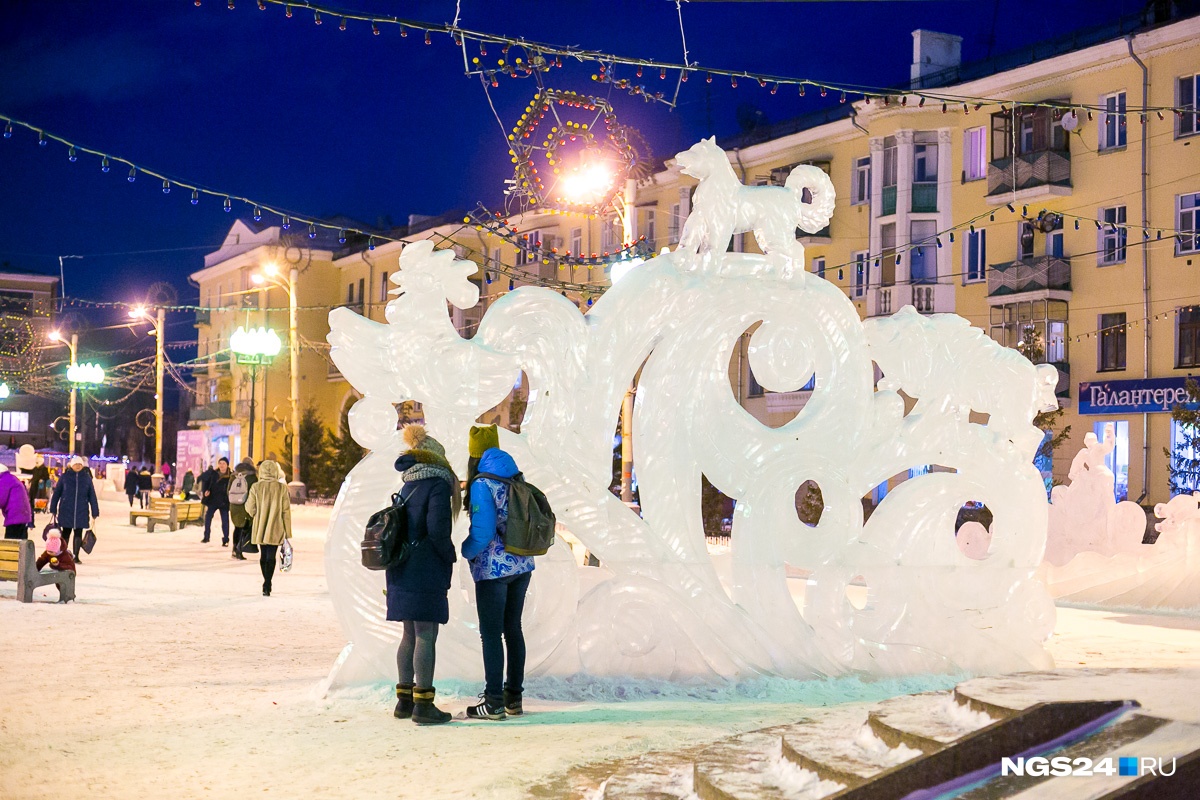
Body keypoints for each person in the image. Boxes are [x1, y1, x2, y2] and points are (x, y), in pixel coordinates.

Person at [387, 424, 460, 726]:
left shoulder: (408, 484)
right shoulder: (438, 485)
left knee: (409, 633)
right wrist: (450, 556)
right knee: (426, 634)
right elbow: (438, 530)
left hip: (401, 566)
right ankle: (424, 705)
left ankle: (404, 702)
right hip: (425, 567)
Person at [461, 424, 534, 720]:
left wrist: (465, 551)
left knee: (490, 635)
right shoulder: (515, 476)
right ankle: (513, 698)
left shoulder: (482, 484)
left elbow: (483, 531)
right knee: (513, 629)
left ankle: (492, 702)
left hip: (493, 570)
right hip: (522, 565)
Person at [244, 459, 291, 597]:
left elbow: (249, 507)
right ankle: (268, 582)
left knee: (263, 555)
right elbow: (286, 511)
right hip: (276, 526)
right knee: (271, 555)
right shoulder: (282, 488)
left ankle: (266, 581)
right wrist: (287, 531)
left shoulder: (256, 487)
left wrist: (256, 514)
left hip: (261, 526)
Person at [49, 456, 99, 563]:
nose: (78, 466)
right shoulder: (65, 477)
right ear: (72, 465)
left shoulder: (86, 478)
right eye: (76, 464)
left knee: (78, 534)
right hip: (66, 510)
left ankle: (76, 556)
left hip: (81, 510)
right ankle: (63, 555)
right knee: (66, 533)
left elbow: (92, 496)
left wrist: (95, 510)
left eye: (80, 464)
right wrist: (53, 507)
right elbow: (57, 493)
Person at [228, 457, 257, 561]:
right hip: (245, 505)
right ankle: (240, 549)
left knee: (237, 527)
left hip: (234, 505)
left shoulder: (234, 475)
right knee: (245, 527)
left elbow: (229, 491)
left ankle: (235, 549)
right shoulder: (252, 477)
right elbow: (253, 492)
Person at [199, 458, 232, 545]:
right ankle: (206, 537)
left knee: (225, 520)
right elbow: (206, 483)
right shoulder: (213, 474)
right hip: (213, 499)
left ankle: (225, 539)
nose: (221, 465)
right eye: (220, 463)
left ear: (227, 465)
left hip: (224, 501)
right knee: (208, 518)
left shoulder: (231, 475)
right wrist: (206, 490)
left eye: (223, 463)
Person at [0, 463, 33, 539]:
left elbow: (1, 498)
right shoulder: (10, 478)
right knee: (20, 543)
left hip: (15, 516)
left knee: (11, 544)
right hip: (22, 515)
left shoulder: (4, 480)